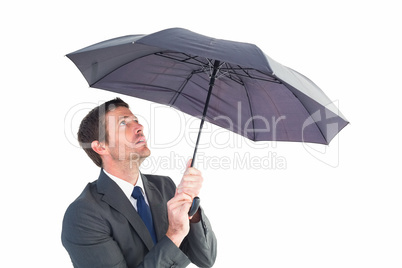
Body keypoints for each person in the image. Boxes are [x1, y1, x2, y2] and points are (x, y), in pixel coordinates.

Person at [62, 98, 217, 268]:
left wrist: (192, 210)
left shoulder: (165, 187)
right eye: (123, 123)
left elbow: (205, 259)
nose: (139, 127)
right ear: (100, 147)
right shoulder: (83, 214)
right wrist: (174, 233)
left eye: (135, 120)